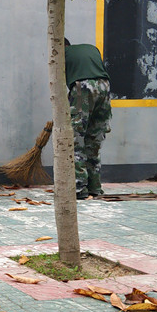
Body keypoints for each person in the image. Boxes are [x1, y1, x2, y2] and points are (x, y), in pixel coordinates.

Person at [64, 38, 112, 200]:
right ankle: (95, 188)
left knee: (75, 140)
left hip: (82, 87)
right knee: (94, 140)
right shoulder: (91, 48)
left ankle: (80, 189)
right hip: (105, 86)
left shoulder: (61, 54)